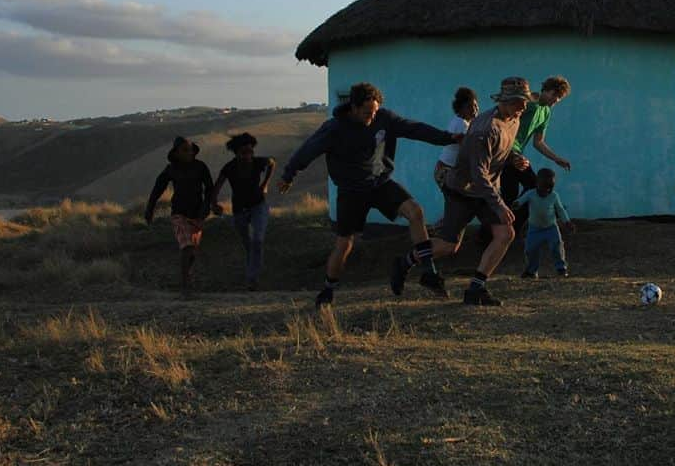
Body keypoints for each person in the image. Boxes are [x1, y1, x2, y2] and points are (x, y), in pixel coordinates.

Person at [278, 82, 461, 309]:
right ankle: (327, 290)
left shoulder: (384, 118)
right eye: (367, 112)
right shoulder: (334, 129)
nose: (372, 116)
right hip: (351, 191)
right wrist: (289, 175)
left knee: (415, 212)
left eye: (375, 111)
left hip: (380, 183)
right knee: (345, 243)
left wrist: (447, 138)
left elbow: (414, 129)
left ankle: (428, 272)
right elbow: (307, 150)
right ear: (353, 107)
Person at [393, 77, 536, 306]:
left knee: (505, 234)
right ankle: (405, 261)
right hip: (462, 191)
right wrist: (499, 205)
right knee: (450, 246)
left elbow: (499, 152)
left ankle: (476, 289)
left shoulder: (514, 120)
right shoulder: (485, 128)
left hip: (484, 190)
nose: (524, 107)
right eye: (520, 102)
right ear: (507, 101)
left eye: (525, 102)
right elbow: (478, 174)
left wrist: (514, 159)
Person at [144, 136, 218, 297]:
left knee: (192, 250)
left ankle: (188, 278)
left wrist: (209, 206)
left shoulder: (200, 167)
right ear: (176, 153)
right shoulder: (171, 169)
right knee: (187, 247)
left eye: (190, 149)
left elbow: (210, 189)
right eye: (185, 150)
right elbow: (158, 188)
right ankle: (185, 287)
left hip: (198, 214)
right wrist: (149, 209)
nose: (188, 152)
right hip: (179, 213)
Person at [501, 76, 572, 233]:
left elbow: (538, 142)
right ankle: (501, 232)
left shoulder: (545, 112)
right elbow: (508, 119)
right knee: (531, 187)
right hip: (506, 152)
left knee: (513, 195)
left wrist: (557, 159)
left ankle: (505, 231)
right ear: (545, 90)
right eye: (554, 95)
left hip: (517, 154)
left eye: (559, 98)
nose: (556, 100)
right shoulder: (529, 102)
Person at [212, 132, 275, 290]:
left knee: (257, 239)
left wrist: (265, 183)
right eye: (244, 152)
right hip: (239, 209)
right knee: (248, 244)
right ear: (236, 153)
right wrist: (214, 203)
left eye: (250, 151)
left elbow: (272, 163)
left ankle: (252, 279)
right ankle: (254, 269)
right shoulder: (230, 168)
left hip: (258, 205)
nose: (248, 155)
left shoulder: (258, 162)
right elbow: (217, 186)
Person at [516, 168, 575, 278]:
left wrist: (567, 222)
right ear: (537, 183)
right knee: (530, 249)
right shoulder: (531, 194)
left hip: (551, 228)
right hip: (534, 229)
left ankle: (561, 269)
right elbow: (521, 200)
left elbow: (560, 210)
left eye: (550, 188)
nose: (546, 191)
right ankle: (531, 271)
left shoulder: (554, 196)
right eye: (543, 188)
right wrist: (516, 204)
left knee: (556, 247)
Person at [434, 87, 479, 190]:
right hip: (446, 171)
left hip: (445, 170)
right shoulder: (461, 124)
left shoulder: (461, 121)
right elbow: (469, 149)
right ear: (461, 108)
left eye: (476, 106)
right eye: (470, 107)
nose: (475, 110)